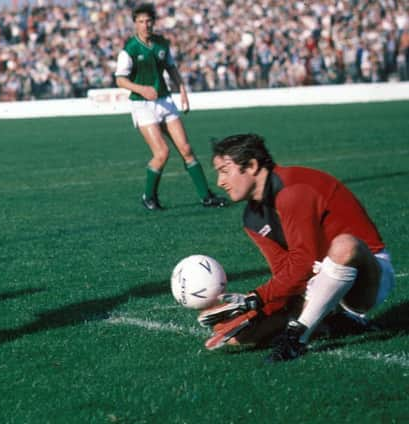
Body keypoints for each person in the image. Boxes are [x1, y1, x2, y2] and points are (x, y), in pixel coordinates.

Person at [197, 134, 395, 362]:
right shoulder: (252, 219)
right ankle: (336, 322)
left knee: (344, 245)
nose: (220, 181)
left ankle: (296, 338)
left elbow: (301, 264)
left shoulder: (293, 190)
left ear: (251, 165)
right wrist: (255, 312)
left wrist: (256, 298)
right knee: (237, 336)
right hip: (318, 278)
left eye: (224, 170)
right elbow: (286, 274)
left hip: (368, 276)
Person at [114, 3, 226, 211]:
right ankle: (149, 197)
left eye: (148, 21)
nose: (145, 25)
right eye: (140, 22)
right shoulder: (129, 49)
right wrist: (142, 89)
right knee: (162, 153)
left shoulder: (162, 43)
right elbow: (120, 80)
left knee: (186, 149)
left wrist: (182, 92)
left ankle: (206, 196)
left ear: (153, 22)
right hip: (142, 104)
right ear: (135, 24)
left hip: (165, 101)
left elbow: (171, 68)